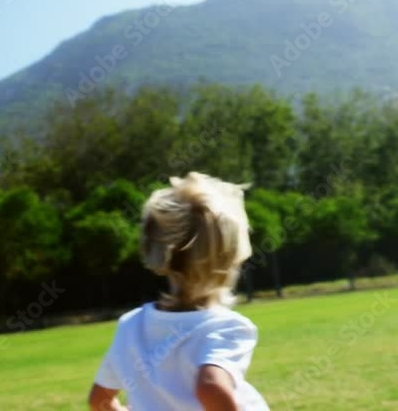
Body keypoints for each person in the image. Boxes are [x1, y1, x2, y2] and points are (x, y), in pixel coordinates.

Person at [87, 172, 269, 411]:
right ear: (231, 255)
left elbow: (99, 399)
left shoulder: (130, 325)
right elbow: (211, 387)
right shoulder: (226, 326)